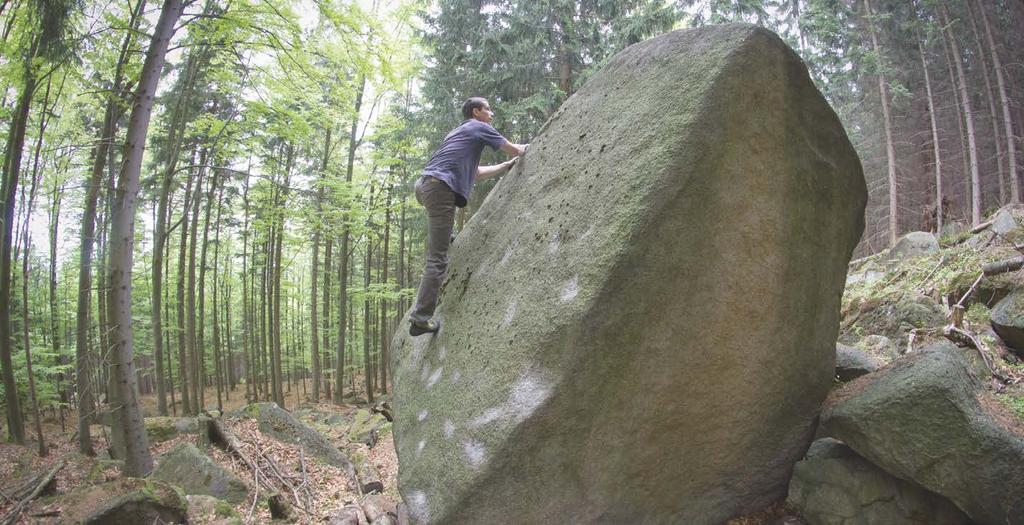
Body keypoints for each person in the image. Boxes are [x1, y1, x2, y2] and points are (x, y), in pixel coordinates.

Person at [409, 97, 527, 336]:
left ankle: (447, 234)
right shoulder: (479, 127)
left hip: (423, 187)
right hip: (439, 188)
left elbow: (476, 173)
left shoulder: (457, 134)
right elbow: (516, 149)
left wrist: (506, 166)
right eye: (488, 109)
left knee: (441, 229)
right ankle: (420, 319)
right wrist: (529, 148)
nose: (491, 114)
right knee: (437, 259)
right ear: (476, 112)